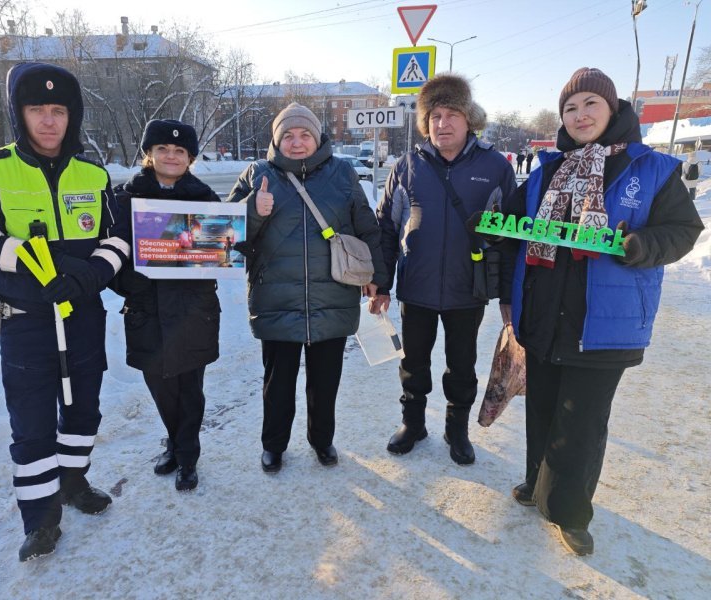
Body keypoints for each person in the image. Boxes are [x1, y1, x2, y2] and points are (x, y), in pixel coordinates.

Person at [486, 67, 702, 556]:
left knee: (581, 422)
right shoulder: (546, 171)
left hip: (604, 322)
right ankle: (536, 483)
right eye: (570, 108)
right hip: (543, 315)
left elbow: (683, 231)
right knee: (542, 409)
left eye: (590, 104)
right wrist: (494, 228)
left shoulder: (651, 169)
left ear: (613, 109)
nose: (580, 115)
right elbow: (516, 225)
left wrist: (641, 245)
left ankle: (570, 512)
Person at [0, 62, 131, 561]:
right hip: (25, 319)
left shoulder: (93, 173)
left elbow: (117, 237)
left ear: (72, 116)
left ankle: (74, 483)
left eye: (59, 110)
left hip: (83, 316)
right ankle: (40, 520)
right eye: (37, 109)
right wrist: (39, 266)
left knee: (83, 410)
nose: (49, 120)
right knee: (31, 423)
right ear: (20, 113)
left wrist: (91, 274)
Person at [228, 102, 388, 473]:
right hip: (275, 297)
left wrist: (377, 278)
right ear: (276, 140)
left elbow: (367, 228)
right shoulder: (257, 174)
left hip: (333, 293)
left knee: (325, 381)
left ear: (317, 139)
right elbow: (226, 237)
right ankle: (274, 446)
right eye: (288, 135)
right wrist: (252, 210)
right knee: (278, 383)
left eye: (304, 135)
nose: (297, 142)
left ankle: (322, 440)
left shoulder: (342, 173)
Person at [372, 73, 517, 465]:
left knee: (462, 366)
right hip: (416, 287)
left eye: (452, 114)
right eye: (435, 115)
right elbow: (386, 228)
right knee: (413, 363)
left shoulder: (495, 167)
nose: (443, 123)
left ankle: (457, 430)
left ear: (469, 119)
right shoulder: (407, 166)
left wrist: (508, 294)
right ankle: (413, 423)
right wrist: (382, 283)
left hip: (467, 288)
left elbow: (510, 238)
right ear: (426, 122)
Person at [110, 119, 221, 492]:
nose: (171, 156)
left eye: (179, 151)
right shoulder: (124, 199)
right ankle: (174, 442)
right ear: (149, 154)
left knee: (190, 389)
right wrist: (129, 282)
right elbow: (110, 254)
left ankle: (187, 457)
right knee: (161, 387)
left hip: (194, 311)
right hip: (147, 311)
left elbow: (224, 249)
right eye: (162, 149)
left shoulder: (204, 198)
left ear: (190, 158)